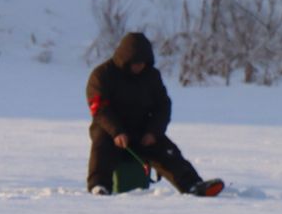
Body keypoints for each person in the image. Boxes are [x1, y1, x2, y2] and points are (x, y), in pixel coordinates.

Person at [85, 32, 223, 196]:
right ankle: (99, 187)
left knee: (169, 152)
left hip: (142, 132)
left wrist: (153, 131)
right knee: (102, 147)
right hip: (110, 132)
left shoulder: (151, 76)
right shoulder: (102, 75)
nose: (139, 67)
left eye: (142, 63)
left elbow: (163, 106)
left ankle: (193, 185)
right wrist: (117, 131)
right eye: (135, 63)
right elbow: (99, 109)